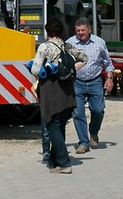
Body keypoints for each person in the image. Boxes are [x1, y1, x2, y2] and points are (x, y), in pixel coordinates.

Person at [30, 19, 87, 174]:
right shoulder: (67, 46)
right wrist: (69, 70)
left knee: (52, 126)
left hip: (51, 90)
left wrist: (49, 71)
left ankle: (64, 163)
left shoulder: (45, 47)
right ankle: (54, 162)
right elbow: (84, 58)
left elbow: (35, 69)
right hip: (67, 90)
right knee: (60, 125)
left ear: (47, 32)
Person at [66, 18, 115, 154]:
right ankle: (83, 142)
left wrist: (109, 78)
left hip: (95, 81)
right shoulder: (69, 43)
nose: (80, 33)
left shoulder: (99, 42)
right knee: (78, 112)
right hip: (77, 82)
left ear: (89, 29)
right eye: (78, 31)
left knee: (98, 110)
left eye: (83, 30)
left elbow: (107, 62)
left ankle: (93, 132)